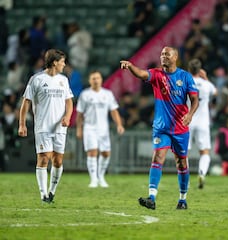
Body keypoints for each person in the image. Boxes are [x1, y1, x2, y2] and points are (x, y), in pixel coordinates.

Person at [120, 46, 199, 210]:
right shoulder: (157, 74)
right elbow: (142, 74)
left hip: (180, 128)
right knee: (157, 158)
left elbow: (195, 99)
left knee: (181, 163)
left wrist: (190, 114)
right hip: (161, 128)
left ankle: (182, 199)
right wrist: (130, 66)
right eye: (162, 54)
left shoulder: (185, 77)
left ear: (175, 57)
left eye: (167, 54)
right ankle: (151, 197)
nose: (163, 56)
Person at [18, 49, 74, 203]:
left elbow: (69, 101)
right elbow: (26, 102)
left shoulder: (63, 80)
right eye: (62, 61)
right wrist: (22, 124)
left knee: (58, 161)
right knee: (43, 159)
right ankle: (43, 194)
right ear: (55, 62)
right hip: (43, 126)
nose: (64, 64)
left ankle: (52, 191)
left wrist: (67, 117)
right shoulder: (36, 79)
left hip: (60, 128)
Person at [76, 70, 125, 188]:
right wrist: (79, 128)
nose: (96, 80)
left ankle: (101, 176)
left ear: (101, 80)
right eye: (93, 78)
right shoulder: (85, 94)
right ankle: (93, 180)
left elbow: (113, 111)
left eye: (97, 78)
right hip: (89, 127)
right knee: (92, 152)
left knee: (106, 153)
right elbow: (80, 114)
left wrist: (119, 124)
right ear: (89, 81)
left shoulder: (107, 94)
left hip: (103, 128)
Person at [187, 58, 217, 189]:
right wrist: (206, 78)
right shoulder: (206, 85)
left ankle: (184, 178)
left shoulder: (186, 82)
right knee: (204, 152)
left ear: (189, 69)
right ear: (200, 70)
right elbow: (215, 92)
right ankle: (201, 173)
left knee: (183, 152)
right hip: (203, 122)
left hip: (187, 120)